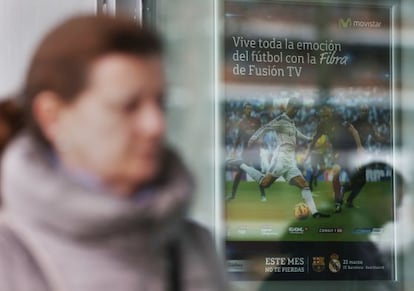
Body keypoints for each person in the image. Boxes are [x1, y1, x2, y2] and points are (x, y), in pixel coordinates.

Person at [0, 15, 225, 291]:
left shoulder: (192, 246)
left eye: (160, 103)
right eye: (128, 106)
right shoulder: (10, 255)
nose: (155, 125)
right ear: (52, 116)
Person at [228, 98, 329, 218]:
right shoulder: (280, 120)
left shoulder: (291, 122)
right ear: (288, 107)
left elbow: (296, 133)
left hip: (290, 162)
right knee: (265, 183)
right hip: (280, 160)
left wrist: (309, 139)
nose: (296, 111)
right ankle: (241, 164)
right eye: (294, 108)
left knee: (304, 185)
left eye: (297, 109)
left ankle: (315, 213)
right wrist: (253, 138)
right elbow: (265, 127)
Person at [305, 105, 364, 213]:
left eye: (327, 115)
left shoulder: (338, 119)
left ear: (330, 114)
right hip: (338, 154)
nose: (325, 118)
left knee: (359, 181)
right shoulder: (321, 126)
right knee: (335, 173)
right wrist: (307, 154)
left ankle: (345, 191)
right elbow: (313, 141)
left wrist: (359, 147)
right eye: (323, 116)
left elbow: (354, 131)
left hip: (351, 152)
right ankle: (338, 203)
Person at [226, 103, 267, 202]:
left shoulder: (256, 121)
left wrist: (261, 139)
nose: (249, 110)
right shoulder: (241, 123)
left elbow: (261, 132)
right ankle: (232, 195)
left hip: (255, 151)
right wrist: (234, 150)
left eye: (250, 108)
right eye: (247, 109)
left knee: (258, 173)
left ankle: (263, 195)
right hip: (245, 152)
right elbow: (238, 138)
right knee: (239, 173)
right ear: (244, 110)